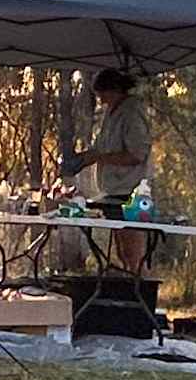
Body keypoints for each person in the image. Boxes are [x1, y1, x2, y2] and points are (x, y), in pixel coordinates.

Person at [58, 67, 154, 273]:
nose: (101, 100)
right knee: (122, 251)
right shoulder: (112, 113)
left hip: (132, 193)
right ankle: (130, 291)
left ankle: (143, 294)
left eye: (103, 95)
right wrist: (82, 159)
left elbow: (136, 155)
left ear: (115, 90)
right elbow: (103, 148)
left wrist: (101, 157)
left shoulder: (132, 113)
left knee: (133, 252)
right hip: (114, 191)